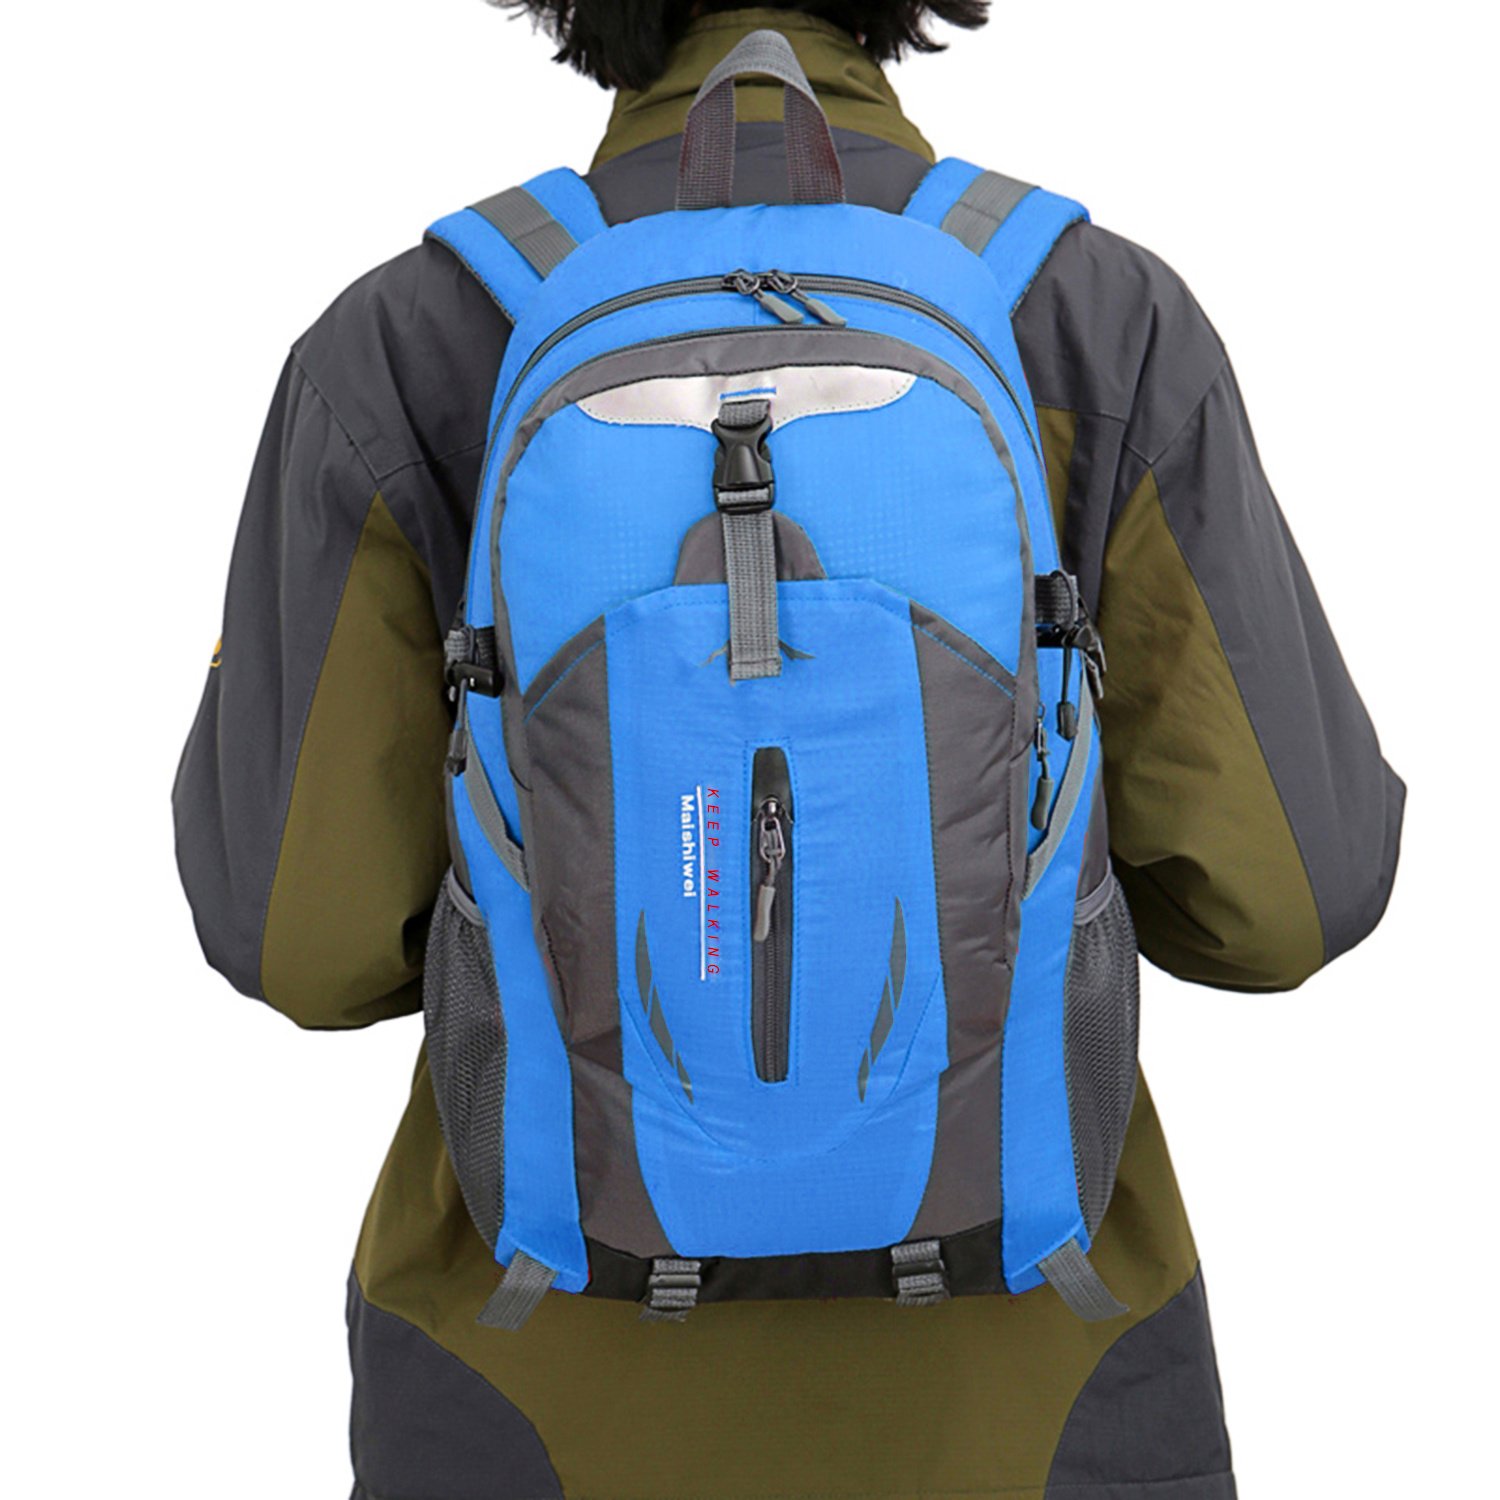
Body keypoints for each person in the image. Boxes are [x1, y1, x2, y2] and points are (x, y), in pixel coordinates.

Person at [173, 5, 1403, 1496]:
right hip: (1037, 1391)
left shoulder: (409, 340)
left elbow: (298, 939)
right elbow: (1289, 898)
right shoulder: (1092, 313)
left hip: (526, 1384)